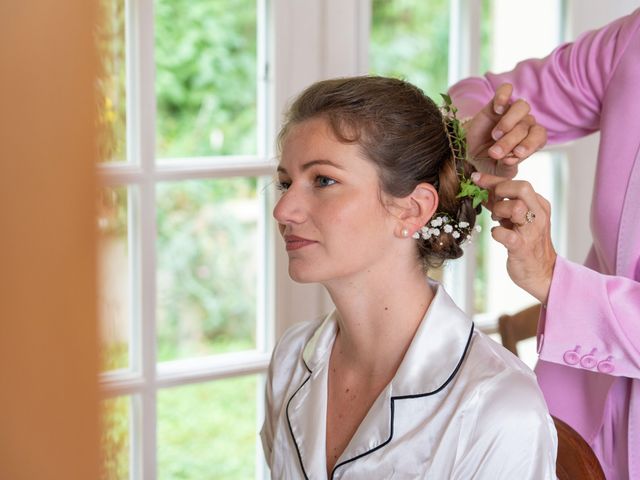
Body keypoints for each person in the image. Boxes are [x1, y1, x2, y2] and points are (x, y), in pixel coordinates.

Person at [260, 76, 557, 479]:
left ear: (413, 210)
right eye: (284, 183)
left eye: (324, 181)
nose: (284, 210)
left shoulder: (499, 408)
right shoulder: (292, 358)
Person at [449, 8, 640, 480]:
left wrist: (554, 278)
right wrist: (481, 126)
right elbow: (481, 93)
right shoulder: (631, 41)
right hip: (586, 421)